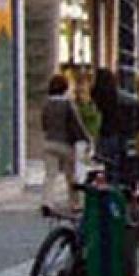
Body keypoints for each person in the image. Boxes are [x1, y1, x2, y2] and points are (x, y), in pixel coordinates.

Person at [41, 74, 91, 212]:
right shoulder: (68, 103)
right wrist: (86, 138)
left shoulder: (46, 103)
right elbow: (76, 123)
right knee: (71, 174)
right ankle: (74, 203)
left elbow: (44, 123)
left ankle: (47, 202)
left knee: (50, 174)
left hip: (49, 142)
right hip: (65, 143)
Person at [91, 68, 139, 180]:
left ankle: (110, 181)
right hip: (121, 134)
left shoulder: (96, 96)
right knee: (122, 164)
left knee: (107, 164)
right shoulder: (123, 97)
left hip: (104, 135)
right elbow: (138, 110)